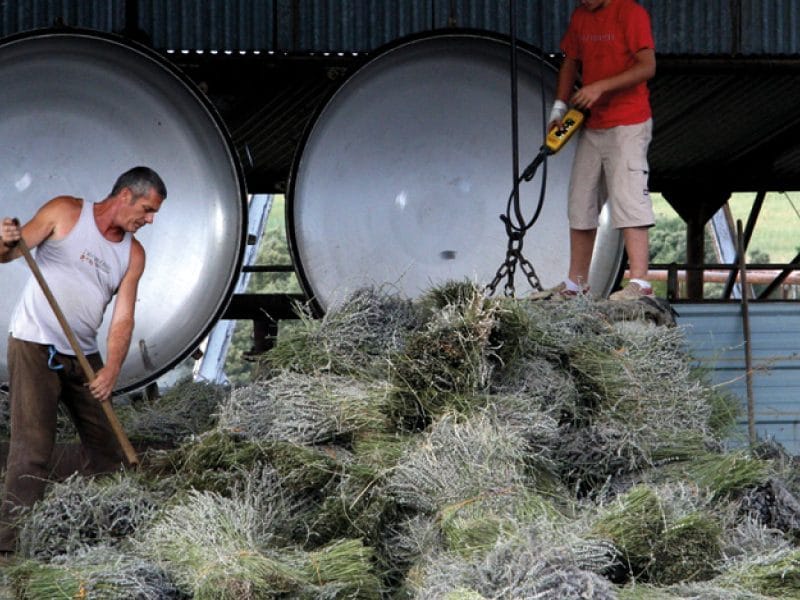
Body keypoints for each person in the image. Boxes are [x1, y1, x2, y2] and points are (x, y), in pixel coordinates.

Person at [0, 166, 166, 555]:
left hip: (83, 354)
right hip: (34, 342)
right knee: (33, 449)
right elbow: (6, 255)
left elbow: (123, 318)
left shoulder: (133, 254)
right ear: (124, 195)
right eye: (146, 209)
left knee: (109, 452)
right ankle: (8, 547)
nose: (149, 220)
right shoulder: (65, 213)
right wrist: (6, 240)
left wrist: (110, 369)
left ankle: (95, 526)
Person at [547, 0, 656, 300]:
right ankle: (575, 284)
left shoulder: (630, 13)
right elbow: (570, 61)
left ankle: (640, 283)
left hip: (629, 122)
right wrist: (559, 106)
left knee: (629, 195)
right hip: (593, 124)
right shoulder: (581, 16)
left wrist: (600, 87)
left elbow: (647, 66)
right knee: (581, 198)